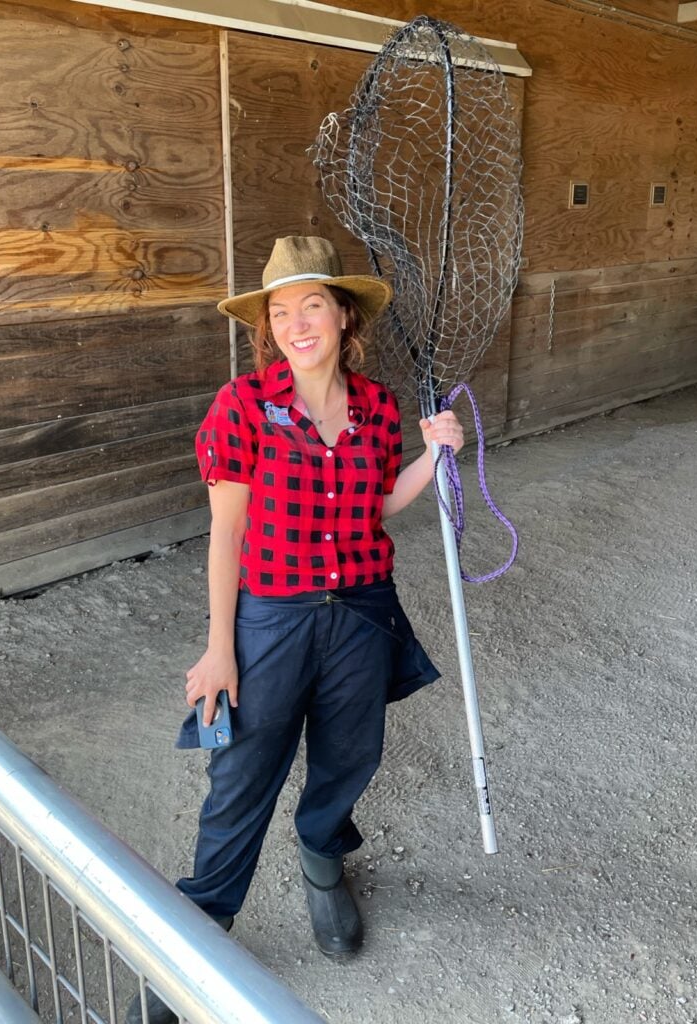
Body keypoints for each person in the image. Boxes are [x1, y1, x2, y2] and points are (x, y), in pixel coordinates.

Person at [126, 235, 463, 1024]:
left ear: (345, 316)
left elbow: (374, 507)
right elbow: (226, 536)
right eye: (281, 311)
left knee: (351, 753)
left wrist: (433, 456)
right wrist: (219, 647)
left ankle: (320, 858)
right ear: (267, 326)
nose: (296, 322)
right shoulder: (241, 405)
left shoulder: (379, 407)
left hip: (362, 611)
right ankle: (204, 923)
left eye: (312, 304)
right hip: (271, 616)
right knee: (242, 773)